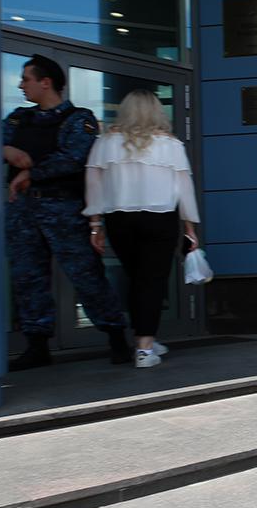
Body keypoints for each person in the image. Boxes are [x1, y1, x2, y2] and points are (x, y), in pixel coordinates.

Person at [3, 54, 130, 370]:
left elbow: (74, 158)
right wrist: (5, 149)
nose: (21, 85)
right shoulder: (18, 119)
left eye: (26, 79)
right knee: (28, 278)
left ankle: (116, 336)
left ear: (46, 82)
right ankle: (37, 345)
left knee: (87, 276)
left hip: (63, 209)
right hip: (24, 212)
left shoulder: (78, 119)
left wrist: (32, 172)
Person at [84, 90, 202, 367]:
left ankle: (144, 338)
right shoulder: (171, 145)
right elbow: (184, 189)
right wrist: (190, 228)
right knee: (152, 281)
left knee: (136, 278)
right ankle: (145, 347)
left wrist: (94, 224)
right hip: (159, 217)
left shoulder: (105, 142)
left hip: (119, 219)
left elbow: (93, 184)